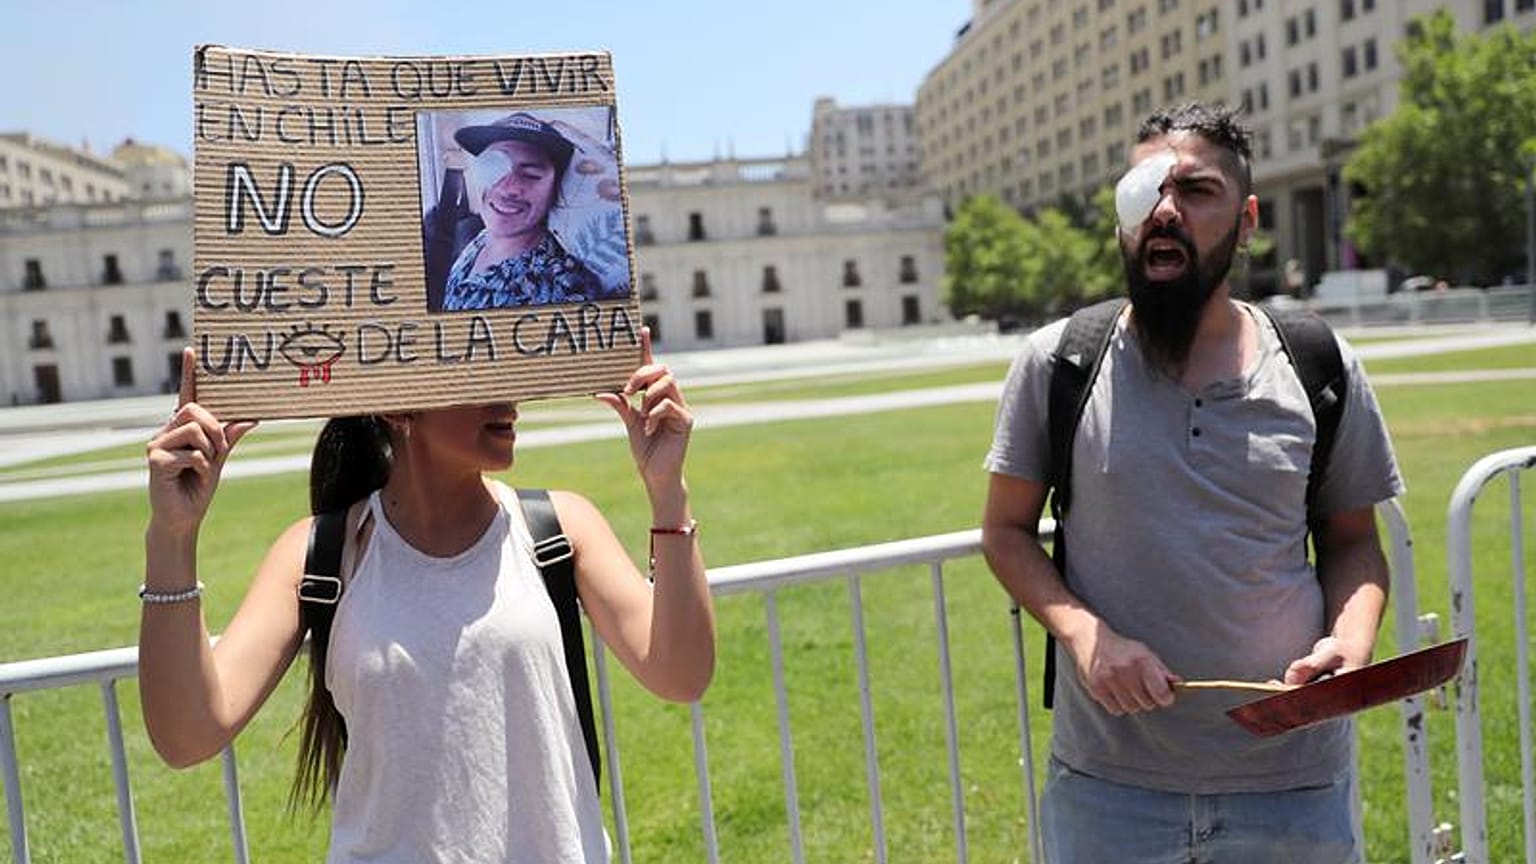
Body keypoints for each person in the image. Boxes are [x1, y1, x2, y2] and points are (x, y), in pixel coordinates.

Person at [980, 102, 1403, 864]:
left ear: (1247, 221)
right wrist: (1087, 637)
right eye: (1146, 189)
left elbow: (1352, 541)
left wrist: (1351, 640)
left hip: (1293, 784)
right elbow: (1005, 533)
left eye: (1197, 190)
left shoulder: (1318, 364)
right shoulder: (1058, 362)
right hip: (1110, 785)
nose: (1165, 210)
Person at [139, 329, 714, 863]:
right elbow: (187, 735)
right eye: (476, 369)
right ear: (397, 404)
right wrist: (172, 535)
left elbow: (682, 675)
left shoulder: (560, 527)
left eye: (507, 366)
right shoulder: (319, 554)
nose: (508, 395)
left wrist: (668, 490)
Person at [440, 111, 613, 311]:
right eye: (493, 166)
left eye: (531, 174)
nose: (508, 188)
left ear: (556, 189)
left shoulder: (559, 289)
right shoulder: (480, 240)